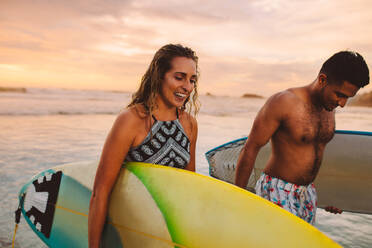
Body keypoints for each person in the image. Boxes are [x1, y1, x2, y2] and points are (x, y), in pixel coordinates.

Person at [235, 51, 369, 224]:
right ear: (322, 80)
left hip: (308, 193)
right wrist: (237, 199)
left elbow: (316, 154)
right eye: (340, 95)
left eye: (348, 98)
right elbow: (250, 148)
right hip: (277, 191)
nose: (342, 104)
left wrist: (333, 197)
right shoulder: (284, 102)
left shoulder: (329, 106)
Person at [88, 44, 199, 247]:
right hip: (132, 229)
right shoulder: (131, 120)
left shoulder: (189, 124)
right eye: (179, 77)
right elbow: (101, 191)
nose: (188, 87)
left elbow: (188, 187)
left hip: (168, 232)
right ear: (159, 76)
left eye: (192, 80)